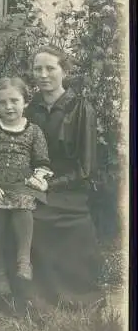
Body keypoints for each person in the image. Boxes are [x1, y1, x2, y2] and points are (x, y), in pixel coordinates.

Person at [25, 45, 106, 314]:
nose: (44, 74)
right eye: (38, 69)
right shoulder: (30, 108)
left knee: (67, 221)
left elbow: (86, 167)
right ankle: (37, 295)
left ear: (64, 71)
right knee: (29, 216)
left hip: (70, 187)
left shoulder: (81, 108)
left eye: (51, 68)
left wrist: (53, 184)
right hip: (36, 183)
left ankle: (75, 295)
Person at [0, 77, 53, 299]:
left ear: (25, 102)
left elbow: (42, 162)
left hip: (22, 183)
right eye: (2, 102)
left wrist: (39, 178)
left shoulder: (34, 131)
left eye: (14, 101)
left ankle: (23, 261)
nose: (9, 107)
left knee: (24, 207)